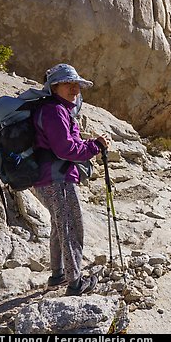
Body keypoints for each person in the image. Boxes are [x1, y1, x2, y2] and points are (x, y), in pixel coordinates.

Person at [32, 63, 110, 296]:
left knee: (59, 225)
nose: (75, 89)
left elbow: (62, 144)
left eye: (76, 85)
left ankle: (58, 276)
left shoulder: (54, 110)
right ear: (54, 86)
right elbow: (65, 148)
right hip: (58, 178)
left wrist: (87, 144)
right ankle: (75, 283)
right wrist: (95, 146)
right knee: (70, 227)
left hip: (47, 177)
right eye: (69, 84)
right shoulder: (55, 111)